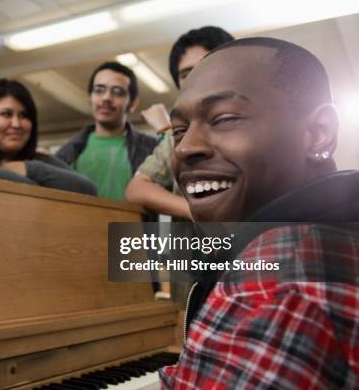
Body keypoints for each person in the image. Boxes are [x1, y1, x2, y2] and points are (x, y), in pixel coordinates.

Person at [159, 37, 359, 389]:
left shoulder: (278, 277)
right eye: (179, 130)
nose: (186, 147)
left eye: (224, 118)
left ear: (317, 133)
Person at [126, 26, 234, 219]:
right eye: (186, 74)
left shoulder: (258, 125)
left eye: (206, 65)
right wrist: (197, 212)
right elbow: (136, 188)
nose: (197, 78)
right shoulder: (175, 137)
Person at [0, 78, 97, 195]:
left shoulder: (38, 161)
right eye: (6, 114)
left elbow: (88, 188)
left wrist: (30, 169)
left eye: (24, 115)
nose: (16, 124)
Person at [56, 61, 158, 201]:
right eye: (99, 90)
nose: (106, 98)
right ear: (90, 98)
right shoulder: (66, 154)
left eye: (117, 92)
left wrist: (166, 129)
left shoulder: (151, 149)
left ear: (133, 103)